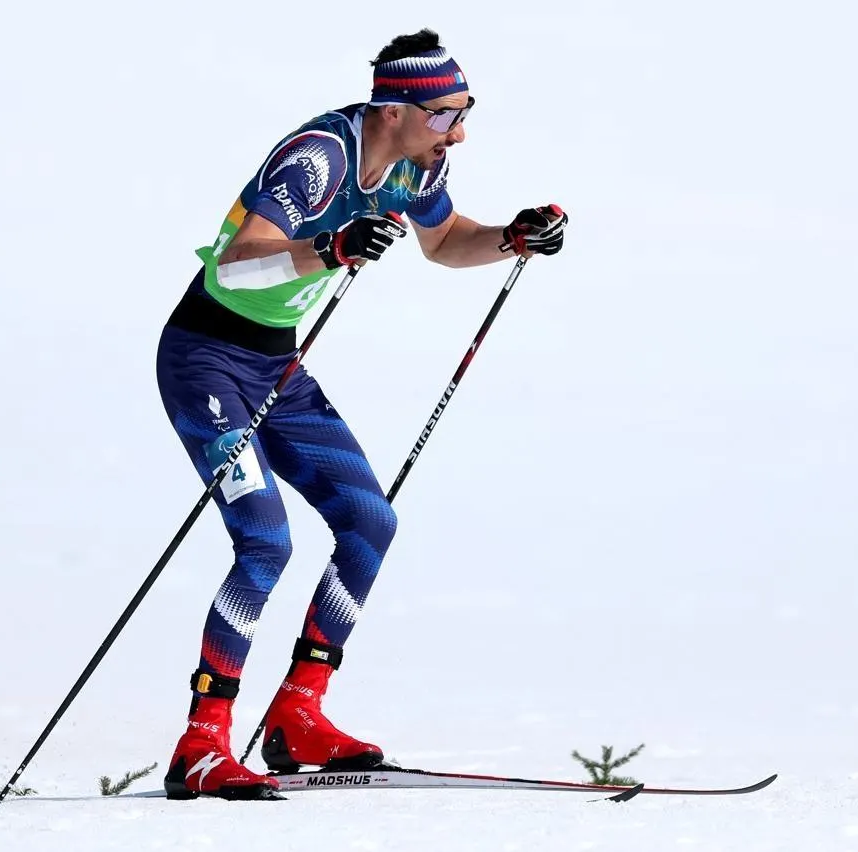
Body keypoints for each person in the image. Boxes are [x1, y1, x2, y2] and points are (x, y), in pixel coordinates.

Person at [157, 28, 568, 801]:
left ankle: (297, 716)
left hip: (277, 365)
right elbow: (236, 268)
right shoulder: (317, 159)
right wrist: (329, 248)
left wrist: (512, 239)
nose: (458, 132)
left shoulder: (418, 164)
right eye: (445, 115)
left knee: (369, 520)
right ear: (394, 110)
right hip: (205, 359)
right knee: (265, 541)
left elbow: (445, 242)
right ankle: (201, 744)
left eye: (465, 112)